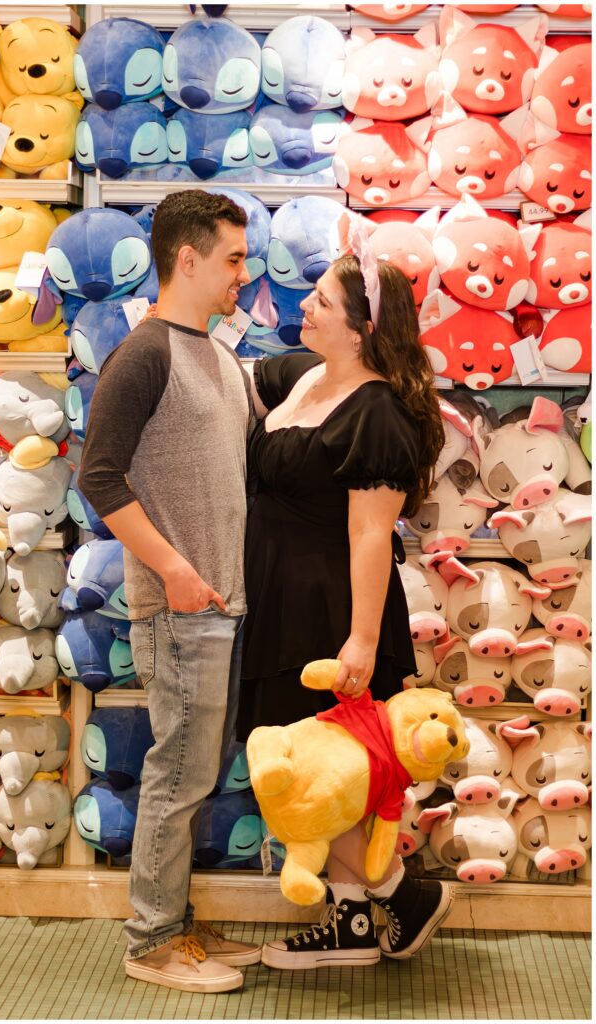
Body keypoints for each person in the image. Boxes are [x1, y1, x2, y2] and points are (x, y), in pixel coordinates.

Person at [236, 211, 451, 970]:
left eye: (322, 300)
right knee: (312, 766)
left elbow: (369, 534)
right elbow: (229, 374)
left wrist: (361, 638)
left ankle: (378, 903)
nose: (306, 305)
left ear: (359, 330)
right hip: (279, 600)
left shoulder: (379, 413)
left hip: (331, 609)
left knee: (337, 766)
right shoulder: (300, 378)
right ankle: (369, 911)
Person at [78, 190, 262, 994]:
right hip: (181, 607)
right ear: (185, 258)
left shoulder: (218, 354)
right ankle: (151, 941)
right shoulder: (144, 353)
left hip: (222, 604)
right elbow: (99, 476)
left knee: (194, 770)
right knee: (178, 771)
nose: (242, 274)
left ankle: (175, 923)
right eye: (231, 258)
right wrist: (176, 568)